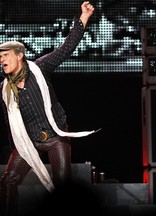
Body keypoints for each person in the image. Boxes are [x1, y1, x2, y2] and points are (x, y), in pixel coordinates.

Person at [0, 2, 95, 216]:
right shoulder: (4, 88)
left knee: (62, 186)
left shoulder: (40, 68)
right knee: (8, 181)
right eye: (0, 57)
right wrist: (13, 146)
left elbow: (66, 48)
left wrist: (84, 18)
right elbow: (9, 122)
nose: (2, 59)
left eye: (6, 55)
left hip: (55, 136)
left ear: (19, 55)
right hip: (29, 141)